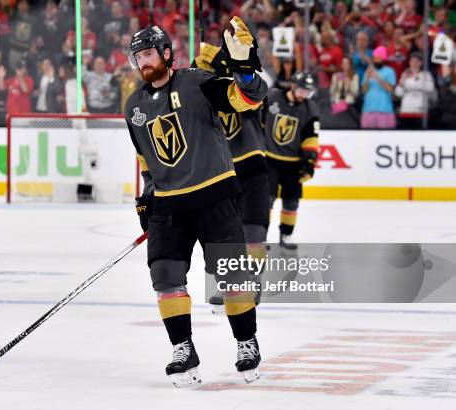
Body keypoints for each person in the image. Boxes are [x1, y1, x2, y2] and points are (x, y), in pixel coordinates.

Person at [125, 18, 267, 387]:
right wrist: (147, 195)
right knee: (164, 275)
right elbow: (146, 157)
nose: (143, 62)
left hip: (214, 196)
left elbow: (248, 98)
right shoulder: (134, 106)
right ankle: (183, 348)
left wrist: (243, 65)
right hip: (170, 205)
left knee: (233, 275)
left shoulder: (195, 82)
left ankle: (246, 342)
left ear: (167, 53)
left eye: (149, 53)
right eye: (137, 56)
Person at [193, 42, 270, 310]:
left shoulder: (243, 85)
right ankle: (232, 282)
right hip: (222, 172)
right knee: (227, 233)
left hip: (251, 164)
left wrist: (220, 60)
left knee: (253, 228)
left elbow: (252, 84)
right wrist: (197, 72)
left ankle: (254, 279)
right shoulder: (205, 93)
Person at [263, 71, 320, 250]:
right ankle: (260, 236)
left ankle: (286, 234)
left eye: (308, 92)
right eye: (302, 90)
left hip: (293, 163)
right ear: (293, 86)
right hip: (268, 159)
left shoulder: (310, 109)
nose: (305, 95)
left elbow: (311, 138)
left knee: (292, 201)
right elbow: (258, 122)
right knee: (266, 201)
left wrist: (309, 162)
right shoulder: (272, 97)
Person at [394, 52, 435, 129]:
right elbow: (398, 93)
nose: (414, 63)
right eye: (412, 61)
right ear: (409, 63)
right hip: (406, 111)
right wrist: (402, 82)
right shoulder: (404, 74)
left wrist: (417, 77)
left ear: (421, 63)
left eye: (417, 61)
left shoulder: (426, 75)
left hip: (420, 111)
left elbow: (430, 88)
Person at [360, 46, 397, 129]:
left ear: (383, 59)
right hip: (368, 109)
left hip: (384, 110)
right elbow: (363, 90)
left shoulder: (389, 71)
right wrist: (367, 78)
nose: (376, 60)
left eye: (378, 58)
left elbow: (390, 89)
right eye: (374, 58)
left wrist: (378, 77)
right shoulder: (368, 70)